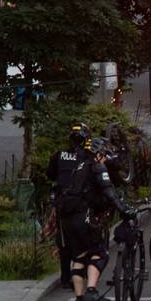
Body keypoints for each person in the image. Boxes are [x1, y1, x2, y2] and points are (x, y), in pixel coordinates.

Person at [58, 136, 136, 301]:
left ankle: (79, 300)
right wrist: (124, 210)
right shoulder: (98, 167)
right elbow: (109, 192)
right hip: (84, 217)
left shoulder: (77, 167)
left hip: (67, 218)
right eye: (104, 154)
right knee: (99, 252)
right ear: (99, 153)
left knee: (79, 256)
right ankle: (91, 290)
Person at [46, 122, 90, 288]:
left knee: (63, 239)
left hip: (62, 204)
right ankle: (80, 275)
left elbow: (50, 175)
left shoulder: (59, 155)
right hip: (80, 204)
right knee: (83, 239)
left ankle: (65, 277)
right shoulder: (88, 156)